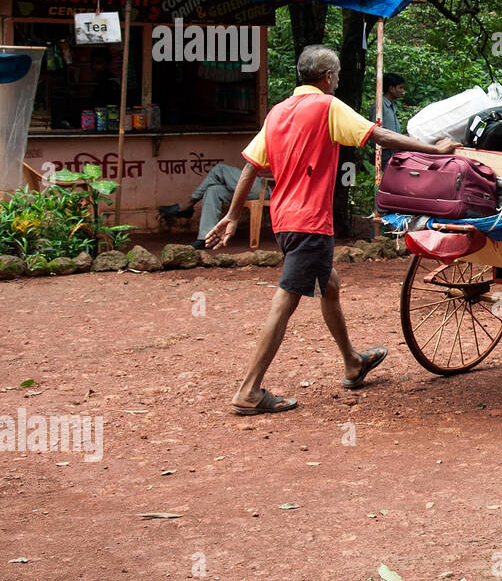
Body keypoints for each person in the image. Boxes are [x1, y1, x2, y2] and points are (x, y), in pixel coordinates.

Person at [206, 45, 457, 415]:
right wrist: (434, 151)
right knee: (284, 302)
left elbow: (250, 166)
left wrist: (231, 215)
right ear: (327, 77)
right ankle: (249, 390)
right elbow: (381, 137)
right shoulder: (326, 106)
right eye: (337, 75)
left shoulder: (278, 112)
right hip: (309, 222)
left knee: (330, 286)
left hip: (285, 221)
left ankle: (353, 363)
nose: (337, 82)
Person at [159, 163, 273, 249]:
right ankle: (205, 238)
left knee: (219, 169)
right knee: (213, 190)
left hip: (268, 187)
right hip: (256, 184)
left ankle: (188, 204)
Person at [374, 72, 406, 171]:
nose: (402, 91)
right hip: (385, 154)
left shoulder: (391, 106)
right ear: (391, 89)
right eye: (400, 88)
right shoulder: (379, 106)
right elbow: (376, 133)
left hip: (394, 151)